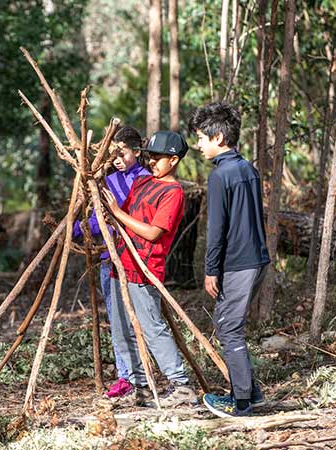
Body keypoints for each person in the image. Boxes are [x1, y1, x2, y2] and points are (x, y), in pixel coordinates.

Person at [102, 130, 197, 408]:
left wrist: (118, 214)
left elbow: (154, 232)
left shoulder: (173, 192)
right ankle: (139, 385)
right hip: (120, 264)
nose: (152, 162)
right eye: (150, 157)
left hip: (144, 267)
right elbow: (124, 216)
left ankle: (180, 385)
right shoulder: (143, 184)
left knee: (152, 327)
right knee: (121, 328)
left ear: (174, 160)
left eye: (159, 158)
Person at [189, 102, 270, 418]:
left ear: (219, 137)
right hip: (257, 260)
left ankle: (241, 403)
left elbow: (217, 228)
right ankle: (252, 392)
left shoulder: (221, 175)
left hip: (238, 264)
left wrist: (211, 270)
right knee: (229, 324)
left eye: (201, 138)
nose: (198, 144)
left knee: (228, 328)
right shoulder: (248, 168)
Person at [72, 125, 151, 399]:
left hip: (136, 258)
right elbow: (98, 220)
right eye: (112, 153)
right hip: (110, 257)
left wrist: (119, 223)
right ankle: (125, 376)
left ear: (137, 151)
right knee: (117, 319)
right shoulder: (109, 181)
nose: (116, 159)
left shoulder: (146, 180)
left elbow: (145, 221)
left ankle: (144, 376)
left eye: (121, 152)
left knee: (140, 319)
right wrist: (79, 228)